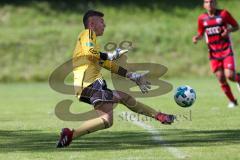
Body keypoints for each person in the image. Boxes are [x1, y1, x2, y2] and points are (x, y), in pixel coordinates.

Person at [56, 10, 175, 148]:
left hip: (86, 87)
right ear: (92, 23)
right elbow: (95, 55)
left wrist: (131, 75)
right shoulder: (87, 34)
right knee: (108, 118)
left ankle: (159, 116)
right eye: (101, 21)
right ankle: (70, 135)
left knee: (122, 101)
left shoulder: (92, 45)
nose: (104, 25)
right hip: (90, 84)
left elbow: (106, 63)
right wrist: (109, 54)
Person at [192, 0, 240, 108]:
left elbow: (236, 26)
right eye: (207, 2)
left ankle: (238, 78)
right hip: (213, 53)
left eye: (212, 2)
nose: (209, 4)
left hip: (226, 50)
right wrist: (197, 38)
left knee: (230, 76)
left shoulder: (223, 14)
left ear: (215, 3)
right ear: (204, 5)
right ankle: (233, 101)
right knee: (220, 77)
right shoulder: (202, 18)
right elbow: (200, 33)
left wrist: (228, 30)